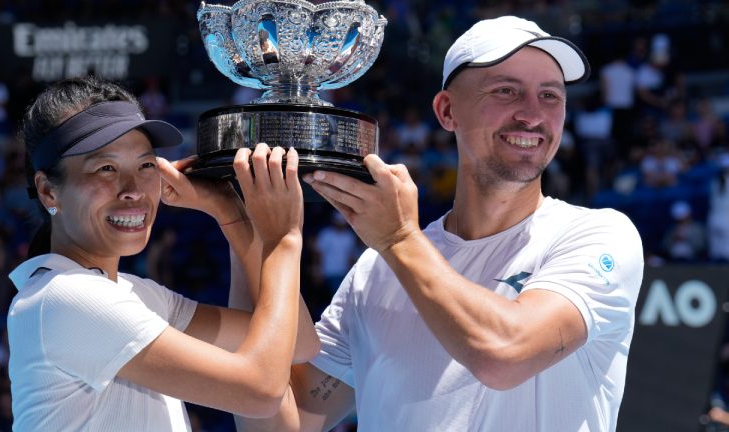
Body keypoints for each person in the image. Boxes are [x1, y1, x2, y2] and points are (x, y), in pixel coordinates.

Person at [235, 16, 644, 431]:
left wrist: (398, 239)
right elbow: (281, 421)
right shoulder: (376, 270)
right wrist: (242, 225)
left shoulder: (597, 236)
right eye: (507, 91)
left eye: (551, 96)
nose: (533, 115)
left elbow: (504, 354)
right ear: (447, 111)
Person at [7, 76, 318, 431]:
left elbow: (297, 343)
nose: (133, 190)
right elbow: (260, 391)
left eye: (145, 166)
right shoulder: (65, 297)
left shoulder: (137, 294)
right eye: (106, 168)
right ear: (48, 191)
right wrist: (282, 239)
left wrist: (230, 213)